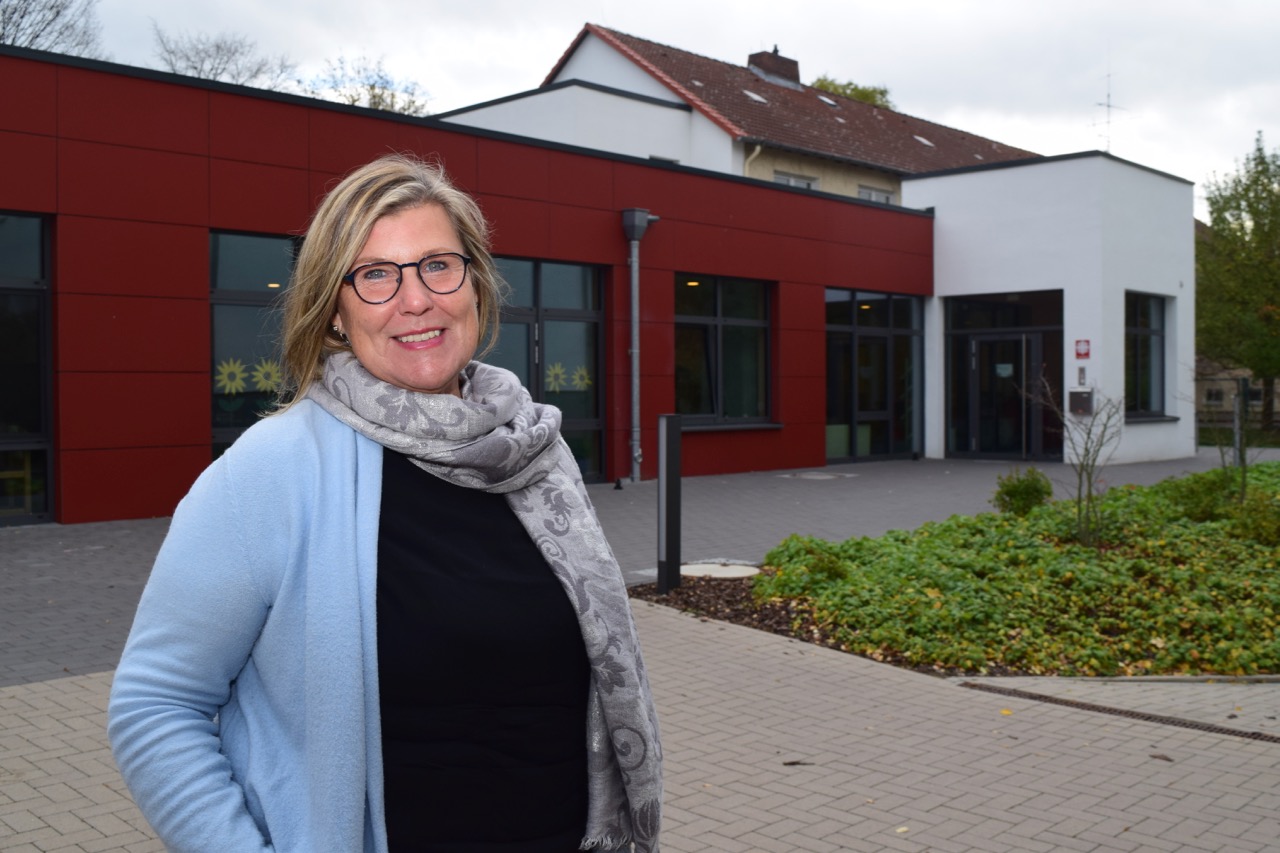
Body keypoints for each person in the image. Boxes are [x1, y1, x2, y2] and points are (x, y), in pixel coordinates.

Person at [108, 153, 662, 853]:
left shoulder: (534, 451)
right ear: (335, 312)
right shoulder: (272, 471)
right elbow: (155, 704)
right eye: (375, 275)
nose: (416, 299)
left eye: (438, 265)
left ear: (475, 284)